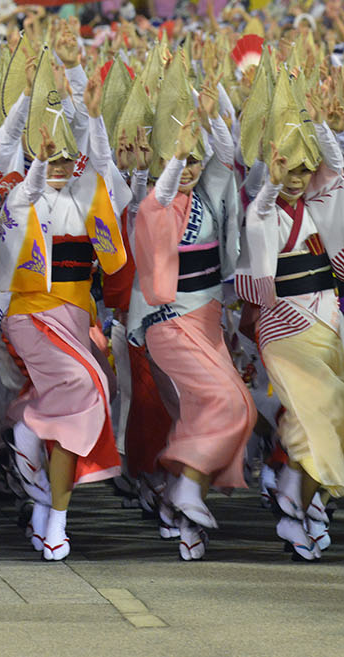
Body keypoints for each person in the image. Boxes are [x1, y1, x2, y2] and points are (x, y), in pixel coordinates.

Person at [235, 69, 344, 561]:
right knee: (317, 412)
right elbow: (259, 213)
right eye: (288, 170)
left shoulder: (322, 197)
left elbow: (343, 168)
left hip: (328, 317)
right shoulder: (264, 208)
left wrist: (323, 125)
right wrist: (273, 183)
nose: (297, 180)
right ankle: (296, 503)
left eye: (303, 171)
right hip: (283, 325)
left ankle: (300, 493)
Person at [0, 38, 126, 561]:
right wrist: (28, 107)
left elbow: (112, 181)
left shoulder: (89, 191)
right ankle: (49, 499)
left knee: (87, 397)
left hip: (75, 315)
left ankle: (51, 508)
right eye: (49, 155)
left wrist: (87, 114)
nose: (60, 164)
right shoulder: (20, 197)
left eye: (68, 157)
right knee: (85, 384)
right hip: (28, 315)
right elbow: (21, 187)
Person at [130, 82, 254, 560]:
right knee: (226, 403)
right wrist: (177, 155)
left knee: (212, 410)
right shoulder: (153, 205)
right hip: (168, 321)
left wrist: (214, 110)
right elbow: (160, 197)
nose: (188, 171)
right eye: (179, 163)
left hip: (207, 318)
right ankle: (184, 490)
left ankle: (183, 505)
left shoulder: (211, 192)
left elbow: (228, 156)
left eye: (194, 163)